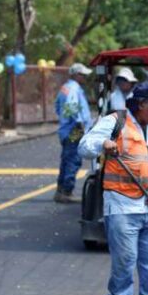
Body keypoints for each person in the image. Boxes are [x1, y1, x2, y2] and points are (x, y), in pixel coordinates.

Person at [78, 83, 148, 295]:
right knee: (125, 259)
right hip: (122, 206)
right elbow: (84, 146)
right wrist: (103, 144)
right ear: (141, 104)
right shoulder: (115, 122)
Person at [53, 63, 93, 203]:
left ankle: (60, 190)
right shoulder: (74, 89)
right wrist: (80, 125)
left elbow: (57, 107)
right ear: (76, 75)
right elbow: (72, 108)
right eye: (83, 75)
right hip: (74, 129)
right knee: (73, 159)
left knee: (66, 159)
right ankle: (66, 191)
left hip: (66, 128)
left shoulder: (65, 88)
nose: (85, 78)